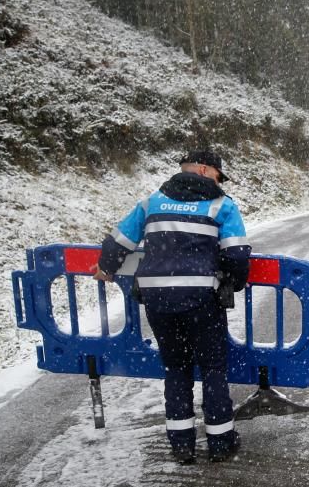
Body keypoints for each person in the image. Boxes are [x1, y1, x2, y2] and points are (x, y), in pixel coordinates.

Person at [92, 151, 251, 464]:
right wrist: (234, 281)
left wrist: (106, 268)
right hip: (201, 299)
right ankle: (220, 444)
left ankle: (181, 445)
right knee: (212, 368)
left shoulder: (153, 202)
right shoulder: (221, 205)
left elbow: (119, 240)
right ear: (206, 170)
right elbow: (237, 255)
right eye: (218, 176)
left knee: (176, 368)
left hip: (158, 300)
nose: (219, 182)